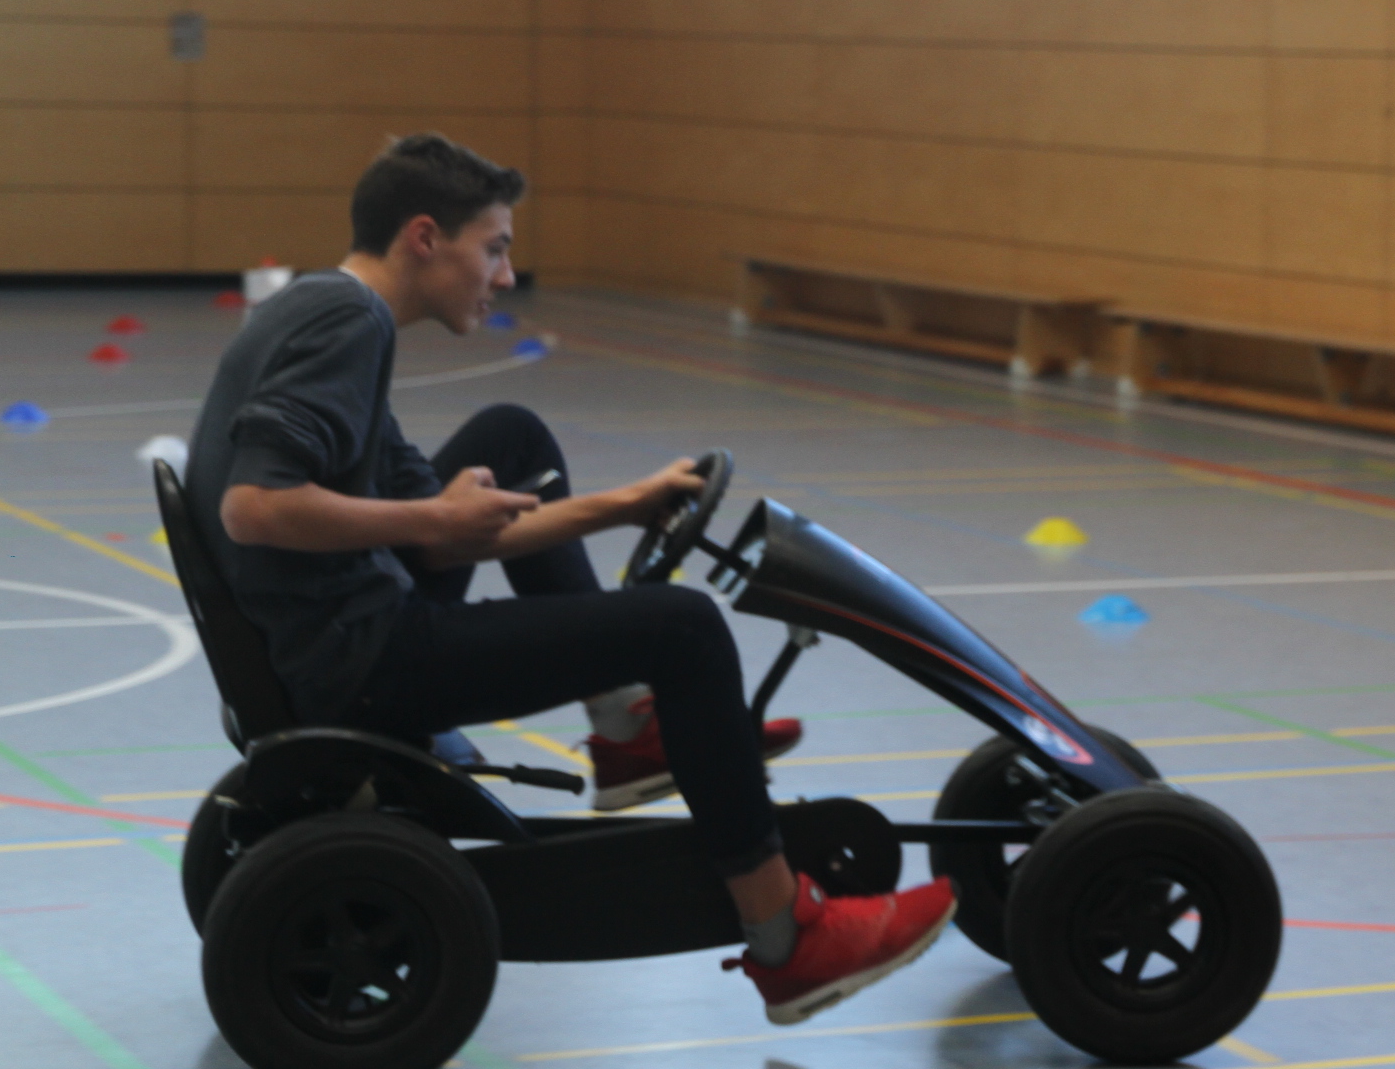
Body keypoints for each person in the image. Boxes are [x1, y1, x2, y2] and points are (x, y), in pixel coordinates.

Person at [186, 133, 953, 1023]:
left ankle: (626, 727)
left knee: (512, 434)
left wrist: (626, 504)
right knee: (686, 628)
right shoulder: (346, 324)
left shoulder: (333, 308)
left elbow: (437, 547)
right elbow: (257, 505)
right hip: (362, 664)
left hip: (329, 636)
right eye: (496, 248)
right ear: (425, 237)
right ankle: (788, 937)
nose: (506, 276)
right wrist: (434, 517)